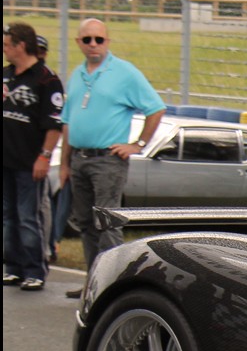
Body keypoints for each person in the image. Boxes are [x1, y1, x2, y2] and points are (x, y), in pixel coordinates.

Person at [59, 18, 165, 292]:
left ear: (107, 41)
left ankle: (113, 287)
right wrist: (64, 163)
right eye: (87, 39)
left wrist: (138, 144)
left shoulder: (124, 72)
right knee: (85, 223)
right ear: (78, 42)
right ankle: (93, 284)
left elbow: (156, 108)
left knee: (107, 222)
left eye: (99, 39)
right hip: (79, 158)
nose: (93, 44)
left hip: (107, 160)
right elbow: (68, 121)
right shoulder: (77, 74)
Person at [3, 23, 63, 291]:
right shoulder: (6, 75)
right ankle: (13, 267)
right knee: (7, 217)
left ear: (21, 46)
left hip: (29, 162)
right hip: (5, 159)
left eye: (7, 45)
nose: (4, 49)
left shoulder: (46, 80)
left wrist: (45, 156)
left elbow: (54, 124)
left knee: (28, 217)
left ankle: (34, 270)